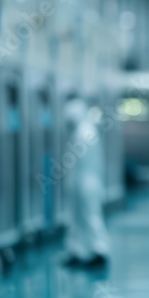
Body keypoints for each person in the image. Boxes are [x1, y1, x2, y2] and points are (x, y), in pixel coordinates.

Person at [62, 96, 110, 269]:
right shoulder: (82, 130)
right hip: (84, 181)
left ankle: (99, 251)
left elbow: (78, 163)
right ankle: (79, 251)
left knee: (90, 216)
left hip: (86, 182)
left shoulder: (84, 132)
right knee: (78, 218)